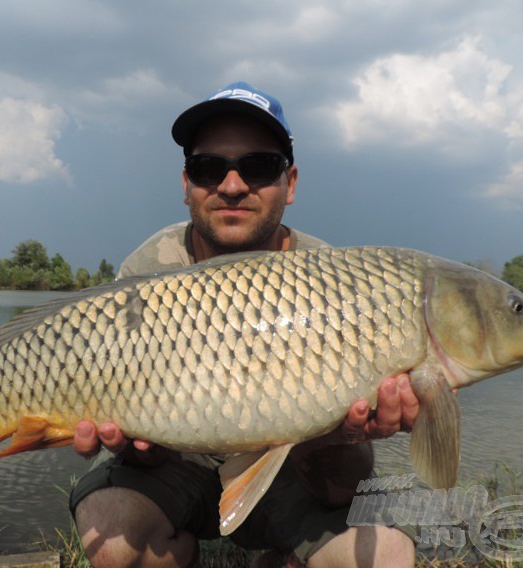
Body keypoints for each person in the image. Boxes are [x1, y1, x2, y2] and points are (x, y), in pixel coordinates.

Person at [69, 82, 419, 567]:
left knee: (387, 558)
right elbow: (135, 448)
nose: (232, 186)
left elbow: (341, 487)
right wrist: (137, 447)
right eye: (209, 168)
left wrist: (343, 432)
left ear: (290, 183)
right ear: (186, 183)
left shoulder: (337, 277)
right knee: (112, 536)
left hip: (296, 467)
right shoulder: (149, 267)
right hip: (179, 461)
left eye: (258, 167)